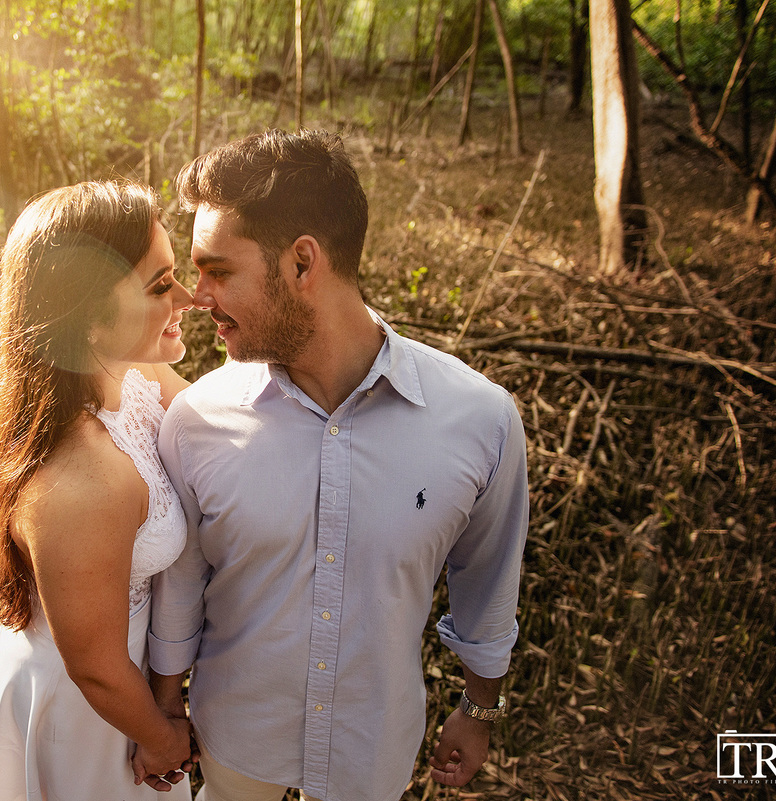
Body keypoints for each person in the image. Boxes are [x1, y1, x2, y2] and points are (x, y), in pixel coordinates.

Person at [147, 131, 530, 801]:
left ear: (302, 263)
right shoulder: (196, 421)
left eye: (218, 270)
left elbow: (488, 581)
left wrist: (480, 707)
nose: (197, 295)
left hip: (373, 748)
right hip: (236, 741)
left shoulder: (481, 419)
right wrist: (165, 703)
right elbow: (180, 586)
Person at [0, 180, 198, 801]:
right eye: (160, 287)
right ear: (90, 322)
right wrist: (160, 736)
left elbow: (210, 434)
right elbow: (96, 670)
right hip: (96, 710)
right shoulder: (80, 481)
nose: (189, 298)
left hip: (128, 679)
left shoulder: (137, 376)